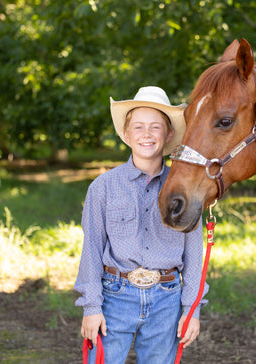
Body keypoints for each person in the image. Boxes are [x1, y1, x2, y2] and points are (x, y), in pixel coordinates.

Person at [74, 86, 207, 364]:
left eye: (155, 127)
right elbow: (92, 250)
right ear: (126, 134)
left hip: (166, 300)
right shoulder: (103, 187)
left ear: (169, 134)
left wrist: (191, 309)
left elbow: (194, 255)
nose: (146, 134)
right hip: (114, 297)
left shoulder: (184, 189)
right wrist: (91, 307)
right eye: (138, 127)